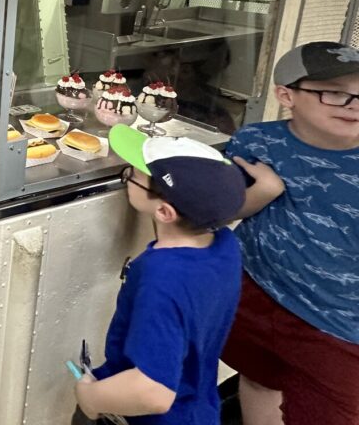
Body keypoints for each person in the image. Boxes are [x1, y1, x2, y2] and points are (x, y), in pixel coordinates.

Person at [221, 40, 359, 425]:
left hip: (336, 327)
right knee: (259, 378)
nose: (355, 105)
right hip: (252, 291)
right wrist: (264, 191)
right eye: (336, 93)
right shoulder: (256, 142)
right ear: (286, 96)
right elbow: (220, 212)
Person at [74, 125, 247, 424]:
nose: (128, 176)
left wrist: (91, 397)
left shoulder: (162, 279)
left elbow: (153, 391)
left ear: (165, 212)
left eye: (133, 176)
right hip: (199, 407)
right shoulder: (224, 244)